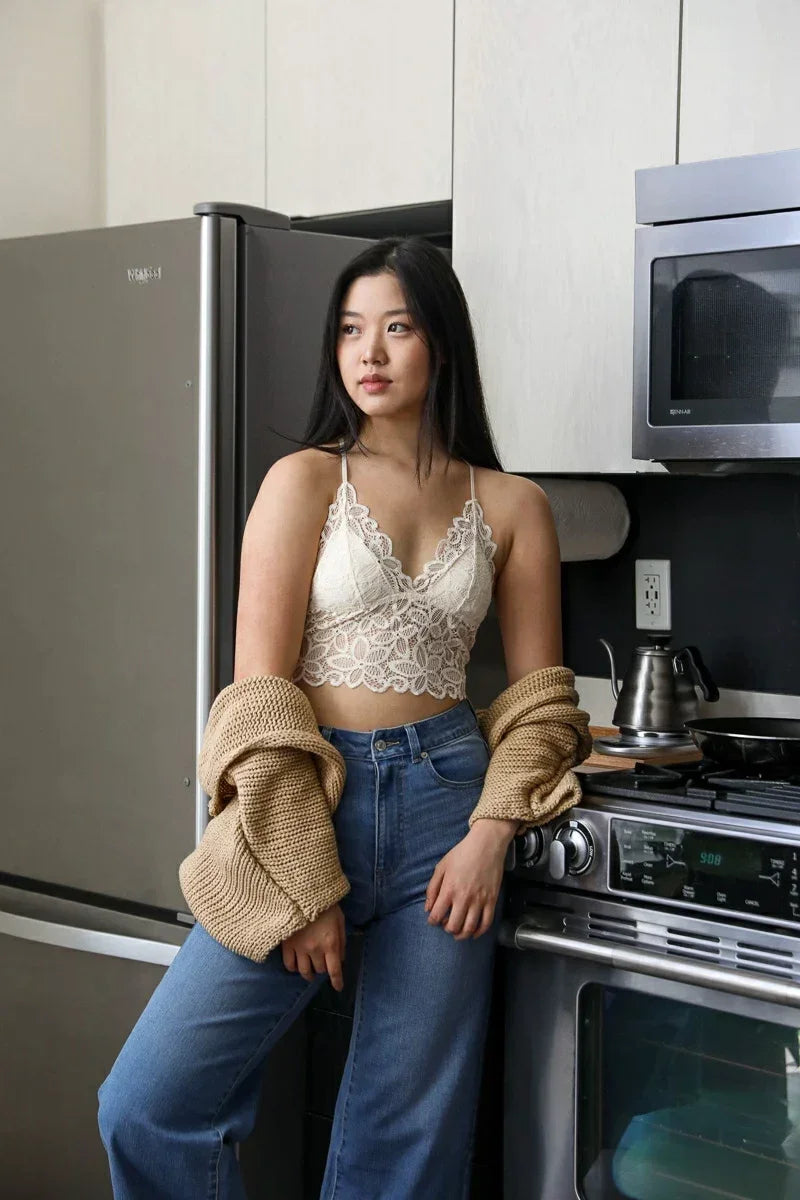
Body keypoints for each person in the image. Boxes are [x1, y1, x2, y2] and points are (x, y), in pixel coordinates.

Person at [97, 236, 580, 1199]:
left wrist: (491, 834)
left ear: (440, 343)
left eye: (397, 328)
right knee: (148, 1103)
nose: (370, 352)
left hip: (448, 816)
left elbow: (541, 707)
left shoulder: (515, 504)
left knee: (406, 1150)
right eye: (352, 330)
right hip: (305, 803)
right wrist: (308, 881)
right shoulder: (305, 480)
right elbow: (259, 702)